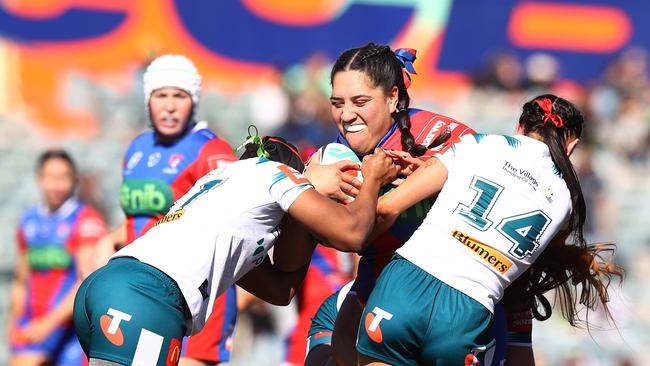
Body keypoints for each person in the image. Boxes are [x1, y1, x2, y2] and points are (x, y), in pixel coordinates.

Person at [73, 135, 398, 366]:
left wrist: (306, 227)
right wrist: (371, 180)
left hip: (111, 286)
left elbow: (280, 289)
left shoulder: (225, 194)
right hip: (149, 298)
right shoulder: (273, 172)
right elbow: (352, 234)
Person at [356, 94, 623, 365]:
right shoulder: (567, 202)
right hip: (468, 310)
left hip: (408, 281)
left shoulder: (481, 143)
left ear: (519, 126)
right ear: (571, 146)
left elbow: (388, 208)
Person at [94, 54, 239, 365]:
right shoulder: (137, 148)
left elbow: (232, 224)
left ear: (193, 101)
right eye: (161, 95)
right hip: (140, 291)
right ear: (148, 100)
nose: (170, 105)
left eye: (179, 96)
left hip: (191, 297)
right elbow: (140, 219)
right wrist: (108, 241)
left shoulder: (212, 150)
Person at [10, 149, 107, 366]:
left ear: (74, 180)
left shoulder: (85, 220)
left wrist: (49, 323)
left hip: (70, 328)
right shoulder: (29, 221)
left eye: (63, 177)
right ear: (39, 179)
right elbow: (21, 279)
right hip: (33, 324)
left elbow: (86, 279)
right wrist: (15, 323)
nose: (57, 185)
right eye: (51, 177)